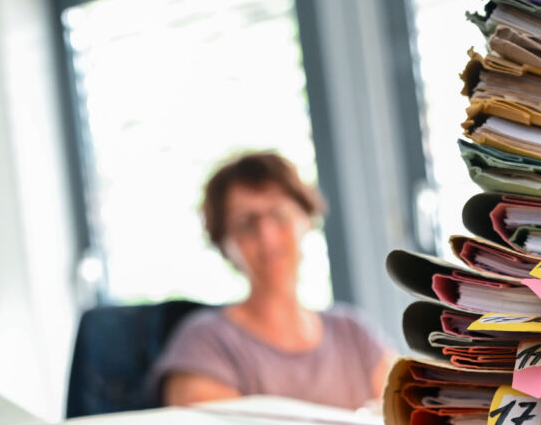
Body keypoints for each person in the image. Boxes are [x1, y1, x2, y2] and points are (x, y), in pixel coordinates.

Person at [150, 152, 394, 410]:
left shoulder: (354, 334)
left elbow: (414, 421)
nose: (268, 238)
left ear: (307, 220)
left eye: (279, 215)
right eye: (246, 224)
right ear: (224, 244)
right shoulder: (204, 344)